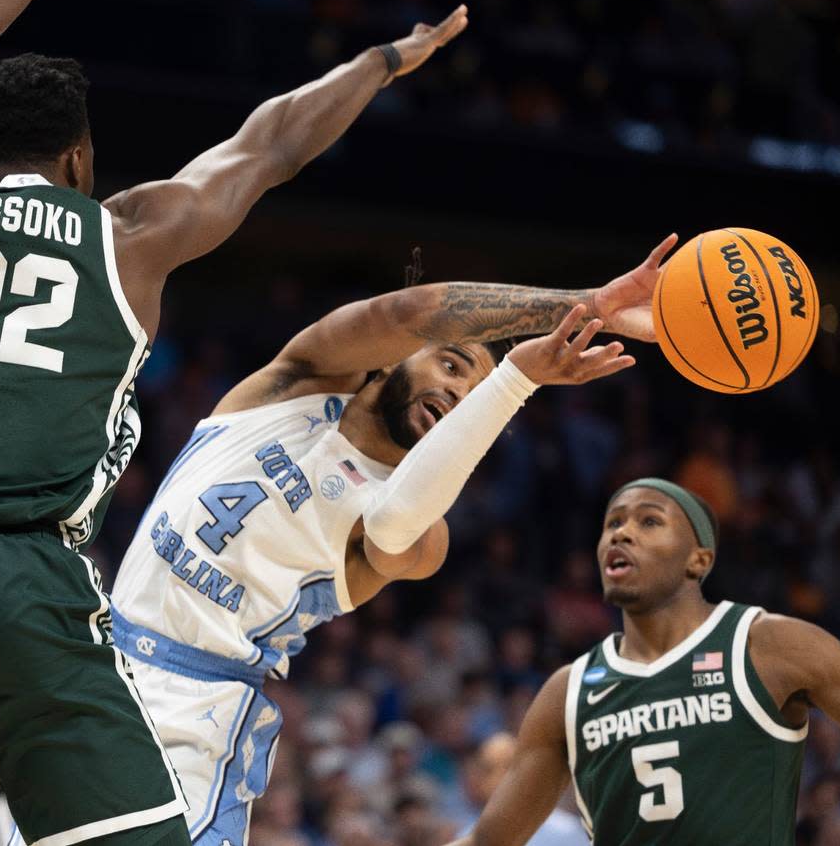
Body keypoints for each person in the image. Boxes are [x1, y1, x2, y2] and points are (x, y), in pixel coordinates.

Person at [0, 0, 469, 841]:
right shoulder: (128, 236)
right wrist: (380, 61)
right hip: (30, 581)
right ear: (81, 156)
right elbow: (270, 145)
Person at [93, 235, 677, 844]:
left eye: (475, 397)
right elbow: (404, 314)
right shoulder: (295, 384)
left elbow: (392, 523)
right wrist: (588, 306)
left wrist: (516, 380)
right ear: (394, 357)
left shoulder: (422, 536)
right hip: (94, 657)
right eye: (450, 366)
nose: (457, 394)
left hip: (190, 717)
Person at [453, 479, 840, 846]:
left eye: (649, 521)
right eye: (613, 523)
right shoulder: (568, 691)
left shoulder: (770, 645)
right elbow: (489, 841)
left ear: (698, 559)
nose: (621, 534)